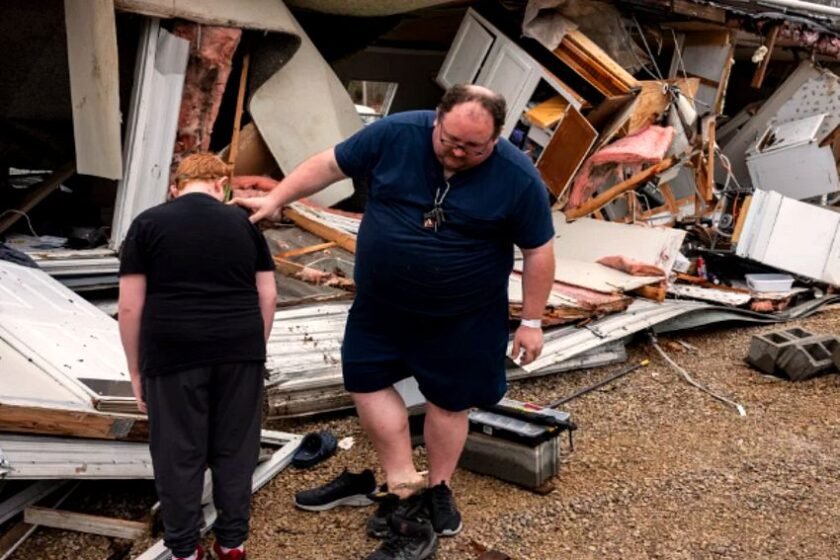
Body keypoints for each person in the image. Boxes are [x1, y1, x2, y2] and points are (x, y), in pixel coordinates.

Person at [234, 84, 556, 560]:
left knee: (450, 401)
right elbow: (328, 164)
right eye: (450, 141)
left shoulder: (517, 176)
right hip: (381, 305)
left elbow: (538, 251)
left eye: (473, 147)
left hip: (462, 315)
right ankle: (402, 479)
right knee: (365, 380)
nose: (458, 153)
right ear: (436, 119)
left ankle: (439, 488)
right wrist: (276, 198)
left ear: (496, 138)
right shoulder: (395, 133)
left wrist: (531, 320)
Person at [118, 153, 277, 560]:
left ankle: (185, 550)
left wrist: (136, 370)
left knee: (177, 453)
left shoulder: (147, 224)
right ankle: (232, 543)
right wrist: (252, 347)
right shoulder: (245, 225)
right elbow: (268, 295)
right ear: (221, 186)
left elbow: (130, 307)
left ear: (176, 188)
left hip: (173, 350)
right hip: (240, 348)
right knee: (235, 449)